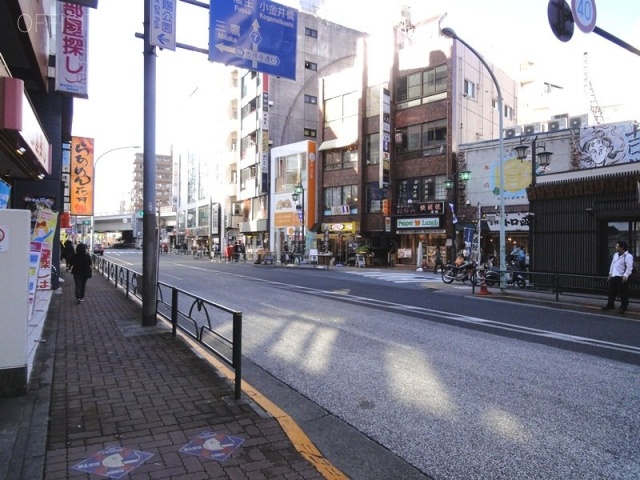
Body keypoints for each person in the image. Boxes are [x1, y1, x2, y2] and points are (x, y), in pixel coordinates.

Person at [603, 241, 634, 313]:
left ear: (622, 247)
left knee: (622, 292)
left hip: (621, 276)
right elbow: (612, 265)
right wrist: (610, 274)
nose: (615, 247)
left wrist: (625, 276)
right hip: (614, 275)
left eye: (617, 246)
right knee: (611, 291)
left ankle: (623, 306)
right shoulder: (615, 255)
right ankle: (610, 304)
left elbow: (629, 267)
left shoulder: (628, 256)